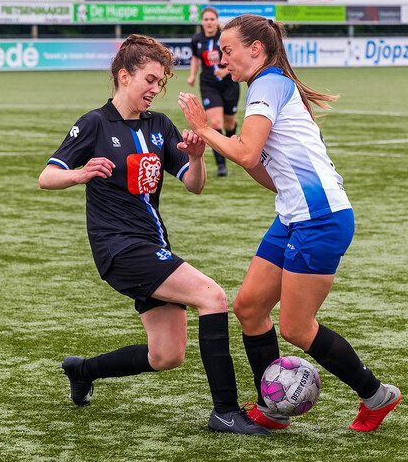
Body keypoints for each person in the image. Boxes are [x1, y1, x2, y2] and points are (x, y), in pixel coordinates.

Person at [178, 15, 401, 433]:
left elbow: (244, 154)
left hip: (321, 220)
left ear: (256, 50)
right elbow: (263, 170)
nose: (221, 58)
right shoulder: (268, 85)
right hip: (294, 216)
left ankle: (376, 395)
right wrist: (219, 141)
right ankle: (273, 406)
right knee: (249, 307)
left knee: (298, 327)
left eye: (228, 50)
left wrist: (205, 130)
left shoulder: (268, 85)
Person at [38, 34, 268, 436]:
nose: (155, 89)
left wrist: (196, 158)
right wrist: (79, 173)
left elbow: (194, 186)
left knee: (167, 355)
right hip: (118, 248)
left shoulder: (160, 125)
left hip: (152, 245)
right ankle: (225, 411)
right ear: (124, 76)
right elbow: (47, 176)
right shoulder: (94, 123)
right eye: (149, 79)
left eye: (160, 82)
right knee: (211, 296)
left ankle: (83, 370)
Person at [187, 7, 240, 177]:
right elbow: (195, 58)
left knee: (229, 124)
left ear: (217, 21)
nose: (209, 22)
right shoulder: (196, 40)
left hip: (229, 83)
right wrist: (192, 75)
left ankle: (232, 142)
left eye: (212, 19)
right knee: (215, 124)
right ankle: (221, 164)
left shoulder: (226, 37)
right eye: (206, 19)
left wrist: (225, 72)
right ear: (202, 22)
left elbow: (237, 57)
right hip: (209, 84)